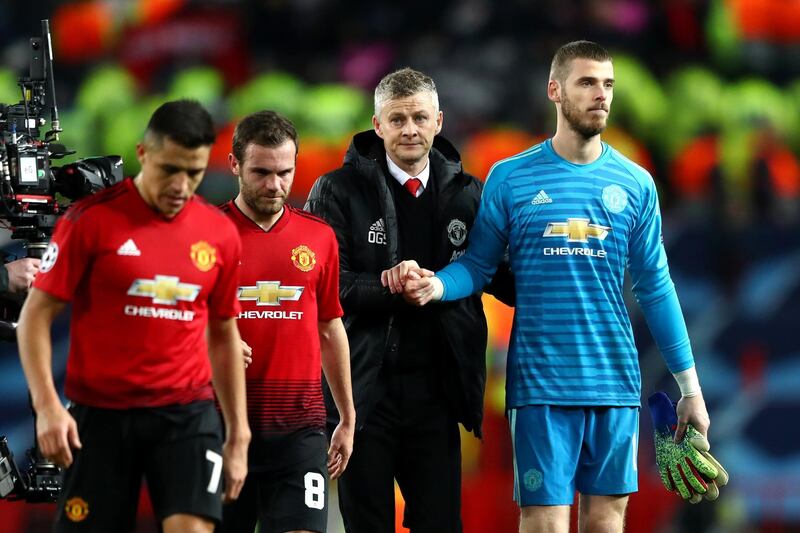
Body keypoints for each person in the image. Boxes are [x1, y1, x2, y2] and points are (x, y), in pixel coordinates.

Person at [390, 41, 711, 533]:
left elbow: (656, 287)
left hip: (615, 383)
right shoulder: (511, 178)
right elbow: (477, 267)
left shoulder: (637, 184)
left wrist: (690, 388)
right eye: (586, 83)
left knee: (606, 519)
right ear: (555, 91)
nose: (600, 95)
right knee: (543, 520)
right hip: (540, 385)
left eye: (607, 85)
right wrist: (437, 285)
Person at [16, 99, 250, 533]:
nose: (181, 185)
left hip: (187, 414)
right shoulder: (90, 221)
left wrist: (238, 434)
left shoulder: (219, 234)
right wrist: (47, 406)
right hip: (101, 416)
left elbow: (223, 334)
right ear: (143, 154)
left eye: (194, 173)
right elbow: (35, 316)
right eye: (169, 169)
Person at [305, 67, 512, 533]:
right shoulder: (336, 191)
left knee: (441, 525)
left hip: (436, 397)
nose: (410, 130)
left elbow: (501, 278)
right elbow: (327, 290)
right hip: (362, 397)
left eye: (419, 117)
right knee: (368, 525)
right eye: (397, 120)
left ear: (439, 121)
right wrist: (389, 285)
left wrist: (565, 264)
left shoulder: (470, 195)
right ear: (377, 126)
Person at [219, 110, 355, 533]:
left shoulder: (319, 237)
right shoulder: (204, 233)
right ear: (234, 164)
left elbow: (331, 329)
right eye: (261, 172)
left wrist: (347, 417)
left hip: (300, 431)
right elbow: (170, 323)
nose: (274, 185)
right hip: (218, 426)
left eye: (284, 172)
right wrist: (207, 346)